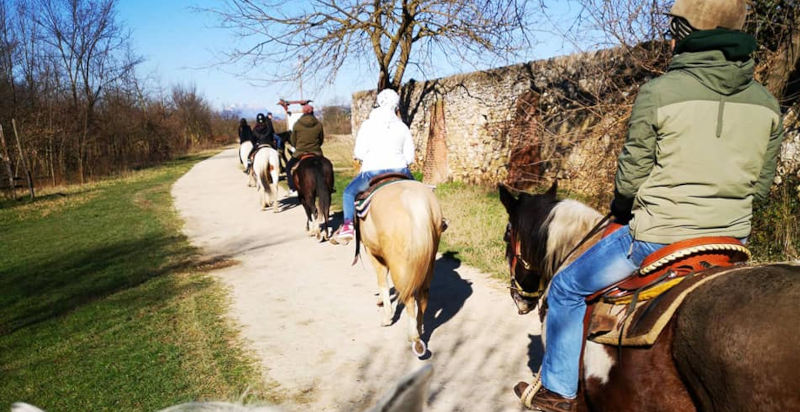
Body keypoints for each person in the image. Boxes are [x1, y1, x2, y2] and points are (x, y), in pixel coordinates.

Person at [514, 1, 784, 411]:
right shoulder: (767, 104)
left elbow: (630, 181)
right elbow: (759, 188)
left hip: (658, 239)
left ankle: (558, 391)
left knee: (566, 287)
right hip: (730, 240)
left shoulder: (658, 93)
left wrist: (623, 207)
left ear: (685, 33)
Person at [331, 88, 414, 244]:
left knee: (348, 193)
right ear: (396, 106)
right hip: (400, 170)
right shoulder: (402, 127)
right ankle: (438, 219)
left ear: (378, 103)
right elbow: (410, 157)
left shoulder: (368, 125)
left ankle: (348, 226)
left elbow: (359, 153)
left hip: (372, 173)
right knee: (420, 190)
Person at [284, 104, 324, 196]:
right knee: (325, 166)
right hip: (316, 151)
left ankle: (293, 188)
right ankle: (329, 186)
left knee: (289, 167)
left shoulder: (297, 124)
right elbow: (321, 139)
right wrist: (316, 146)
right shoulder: (318, 124)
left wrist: (297, 146)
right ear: (312, 112)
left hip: (300, 152)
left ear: (303, 112)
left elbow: (293, 141)